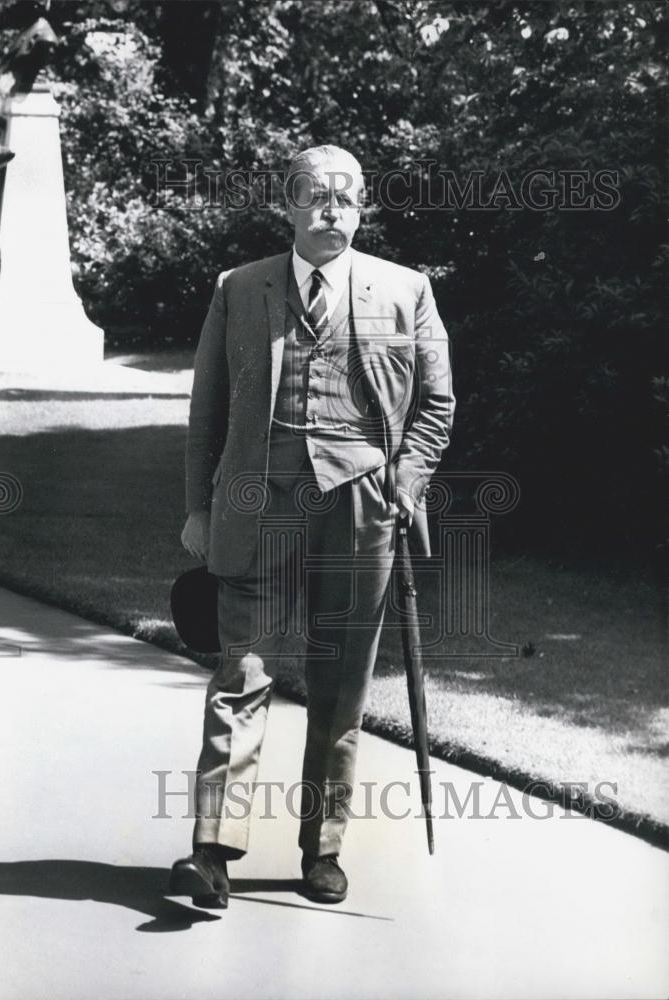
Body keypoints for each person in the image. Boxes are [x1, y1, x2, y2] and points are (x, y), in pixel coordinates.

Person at [169, 145, 454, 908]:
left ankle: (322, 851)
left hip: (361, 507)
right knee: (241, 675)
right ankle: (211, 851)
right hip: (255, 503)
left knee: (339, 686)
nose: (333, 211)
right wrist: (199, 507)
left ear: (363, 208)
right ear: (288, 204)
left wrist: (406, 477)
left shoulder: (406, 291)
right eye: (317, 197)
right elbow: (207, 411)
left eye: (348, 199)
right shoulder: (240, 288)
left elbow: (436, 404)